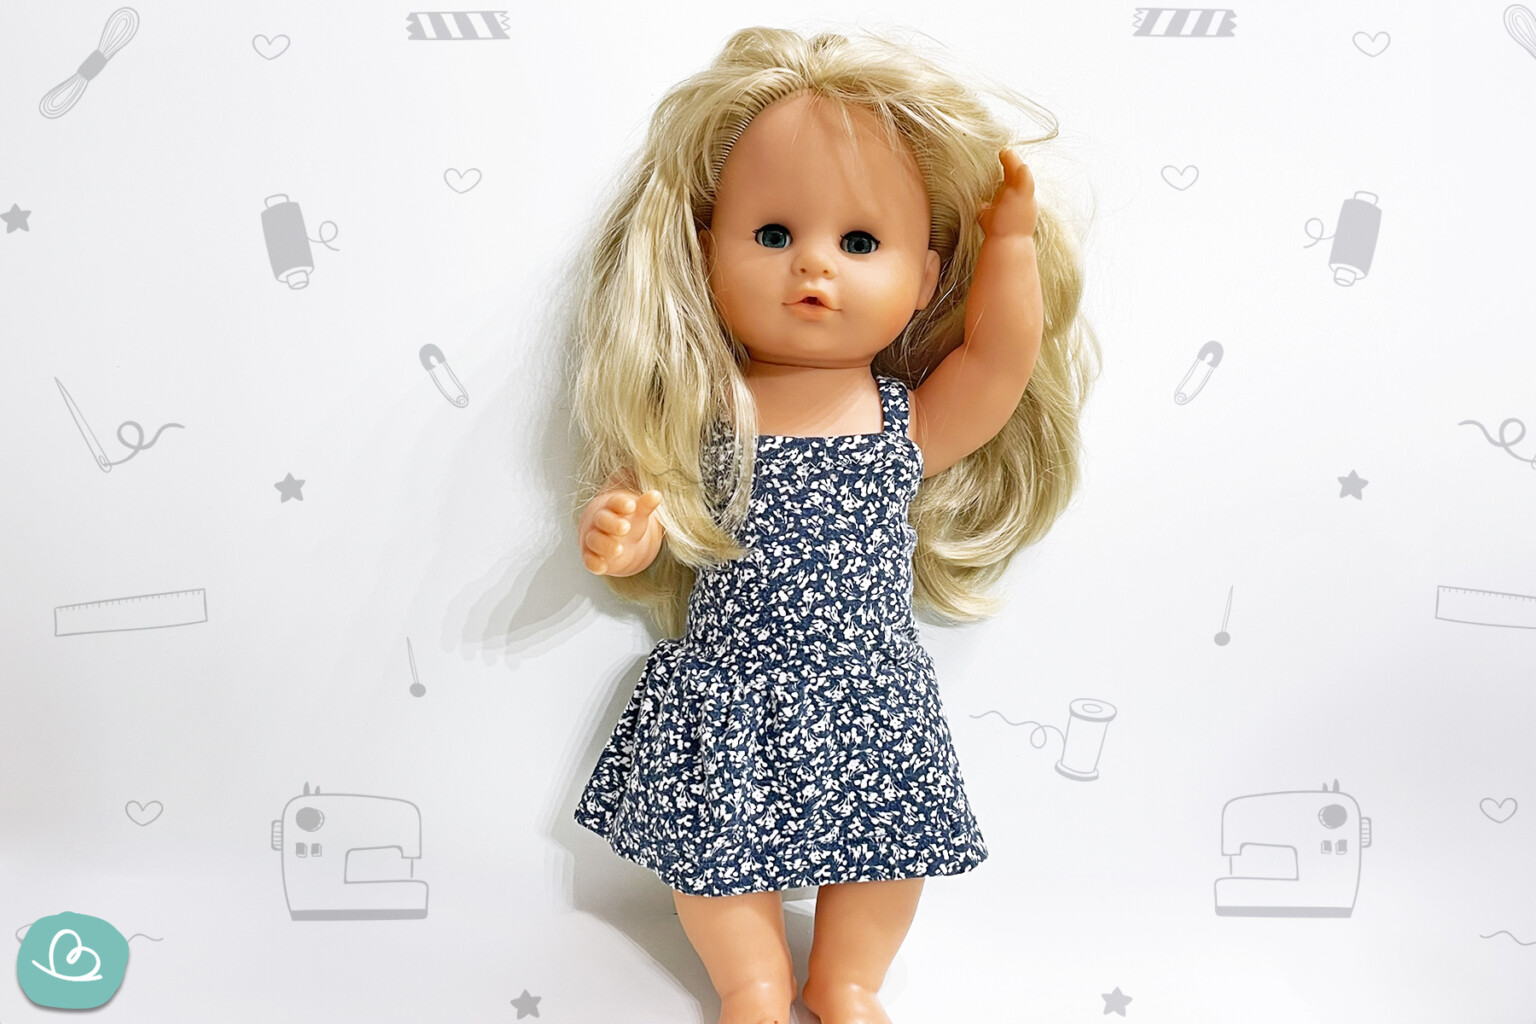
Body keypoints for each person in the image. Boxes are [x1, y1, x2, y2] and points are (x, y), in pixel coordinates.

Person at [567, 25, 1099, 1024]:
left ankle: (847, 979)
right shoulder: (710, 416)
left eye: (860, 244)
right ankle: (753, 982)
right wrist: (624, 526)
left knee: (890, 858)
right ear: (707, 254)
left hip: (869, 688)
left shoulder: (904, 423)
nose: (814, 266)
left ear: (926, 280)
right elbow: (650, 490)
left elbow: (998, 361)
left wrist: (1013, 245)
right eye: (773, 235)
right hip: (732, 685)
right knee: (716, 861)